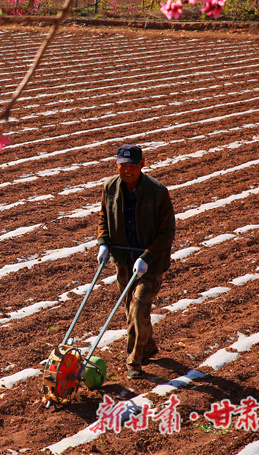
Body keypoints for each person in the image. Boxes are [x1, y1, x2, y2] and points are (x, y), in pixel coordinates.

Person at [96, 144, 175, 379]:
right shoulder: (110, 186)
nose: (127, 171)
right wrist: (102, 241)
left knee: (139, 305)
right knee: (131, 311)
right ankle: (148, 346)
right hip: (123, 259)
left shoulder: (157, 192)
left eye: (132, 166)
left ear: (142, 165)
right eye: (123, 166)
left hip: (150, 262)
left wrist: (147, 257)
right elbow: (103, 216)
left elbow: (167, 231)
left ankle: (134, 360)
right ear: (116, 165)